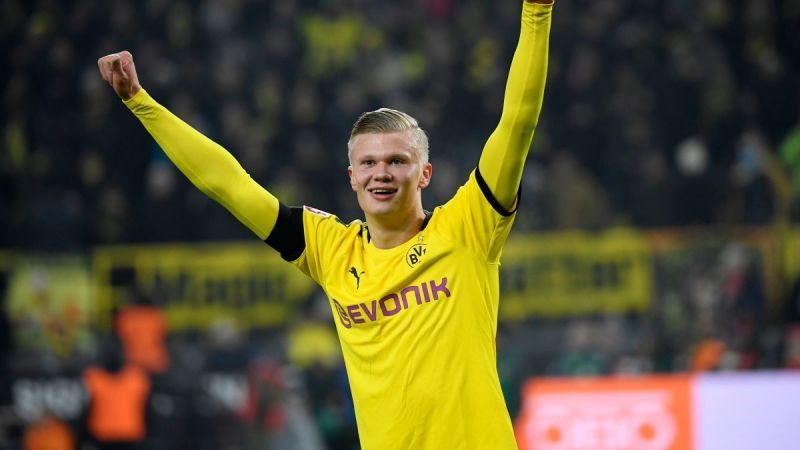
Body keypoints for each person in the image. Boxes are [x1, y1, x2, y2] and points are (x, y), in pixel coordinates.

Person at [97, 0, 553, 448]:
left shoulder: (468, 227)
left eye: (398, 160)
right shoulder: (331, 250)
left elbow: (517, 122)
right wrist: (142, 103)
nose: (382, 173)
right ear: (352, 177)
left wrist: (537, 9)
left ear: (425, 174)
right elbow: (229, 184)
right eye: (369, 162)